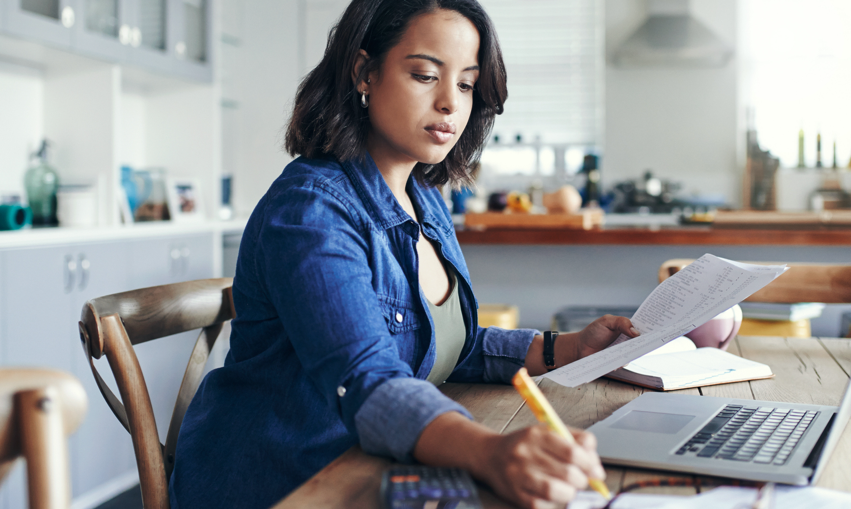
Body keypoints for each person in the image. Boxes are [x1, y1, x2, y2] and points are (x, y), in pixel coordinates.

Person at [168, 1, 639, 508]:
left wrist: (566, 349)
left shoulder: (426, 200)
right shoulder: (311, 212)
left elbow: (442, 344)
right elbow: (368, 378)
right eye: (424, 75)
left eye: (465, 84)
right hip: (286, 483)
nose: (449, 104)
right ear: (365, 73)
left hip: (373, 469)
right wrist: (491, 451)